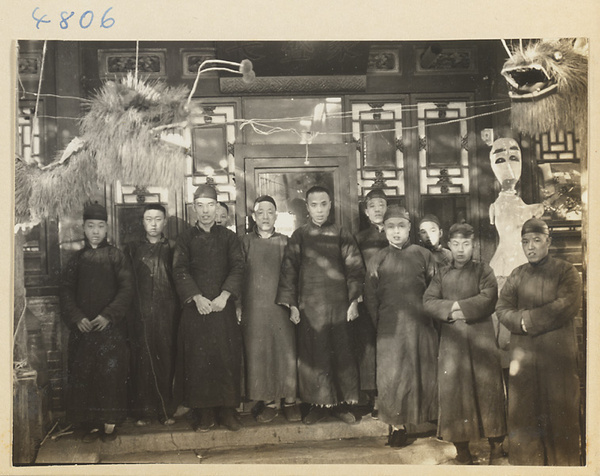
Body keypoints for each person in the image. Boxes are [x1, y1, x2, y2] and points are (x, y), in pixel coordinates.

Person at [496, 218, 582, 466]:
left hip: (557, 357)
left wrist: (525, 321)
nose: (530, 247)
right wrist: (521, 322)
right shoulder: (517, 274)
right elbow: (502, 308)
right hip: (524, 358)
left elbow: (565, 305)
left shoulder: (566, 272)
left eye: (536, 240)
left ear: (548, 241)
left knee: (560, 413)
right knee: (524, 415)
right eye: (525, 242)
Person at [276, 185, 364, 425]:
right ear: (307, 208)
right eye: (314, 205)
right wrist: (292, 305)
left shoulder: (342, 233)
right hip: (310, 308)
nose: (319, 210)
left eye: (323, 204)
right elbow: (288, 272)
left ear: (331, 205)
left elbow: (355, 268)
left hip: (339, 307)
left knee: (341, 354)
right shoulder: (299, 236)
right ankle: (316, 407)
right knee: (314, 355)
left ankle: (341, 406)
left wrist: (354, 301)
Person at [423, 223, 506, 464]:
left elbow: (488, 298)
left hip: (481, 339)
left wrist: (453, 308)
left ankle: (496, 447)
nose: (461, 250)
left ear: (473, 245)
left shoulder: (484, 270)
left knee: (488, 389)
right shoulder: (442, 274)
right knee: (455, 393)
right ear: (449, 245)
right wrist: (455, 310)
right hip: (453, 343)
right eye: (456, 244)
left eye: (466, 244)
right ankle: (462, 450)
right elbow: (428, 301)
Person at [364, 204, 438, 447]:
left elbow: (434, 290)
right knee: (393, 377)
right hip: (390, 328)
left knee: (423, 371)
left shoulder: (423, 255)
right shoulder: (377, 259)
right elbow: (371, 298)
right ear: (384, 230)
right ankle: (397, 427)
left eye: (401, 227)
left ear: (409, 229)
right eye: (391, 227)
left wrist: (429, 318)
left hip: (421, 325)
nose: (396, 232)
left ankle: (428, 420)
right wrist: (382, 326)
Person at [172, 184, 245, 432]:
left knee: (226, 358)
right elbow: (179, 269)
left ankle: (227, 411)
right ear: (194, 208)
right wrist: (196, 297)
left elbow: (238, 267)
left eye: (210, 205)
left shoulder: (229, 238)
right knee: (199, 361)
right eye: (200, 206)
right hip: (196, 311)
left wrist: (225, 296)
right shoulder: (184, 239)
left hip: (222, 309)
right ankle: (203, 413)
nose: (205, 211)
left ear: (217, 207)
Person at [60, 202, 133, 442]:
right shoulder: (76, 260)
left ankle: (109, 424)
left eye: (100, 226)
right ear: (83, 228)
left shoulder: (117, 256)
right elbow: (66, 292)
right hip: (84, 330)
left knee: (110, 376)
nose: (95, 231)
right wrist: (77, 317)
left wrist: (108, 315)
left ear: (106, 229)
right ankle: (88, 422)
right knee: (84, 373)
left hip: (110, 330)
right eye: (91, 226)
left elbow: (126, 290)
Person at [238, 195, 301, 423]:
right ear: (254, 216)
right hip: (254, 308)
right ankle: (269, 402)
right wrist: (238, 306)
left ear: (276, 215)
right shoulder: (244, 242)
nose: (265, 216)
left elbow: (294, 276)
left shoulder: (286, 241)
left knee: (286, 353)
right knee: (260, 354)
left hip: (281, 307)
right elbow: (237, 275)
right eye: (260, 212)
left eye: (270, 211)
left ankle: (290, 401)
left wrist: (293, 305)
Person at [124, 203, 179, 426]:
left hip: (168, 312)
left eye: (158, 219)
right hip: (140, 312)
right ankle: (142, 413)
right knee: (142, 360)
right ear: (142, 222)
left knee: (166, 358)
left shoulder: (173, 247)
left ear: (164, 222)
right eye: (149, 219)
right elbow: (126, 283)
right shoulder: (131, 249)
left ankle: (166, 411)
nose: (153, 224)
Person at [353, 189, 388, 412]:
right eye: (373, 206)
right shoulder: (360, 238)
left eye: (381, 205)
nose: (377, 209)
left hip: (392, 298)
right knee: (369, 348)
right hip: (367, 299)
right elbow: (355, 269)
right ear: (366, 211)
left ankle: (388, 395)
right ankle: (372, 397)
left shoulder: (397, 233)